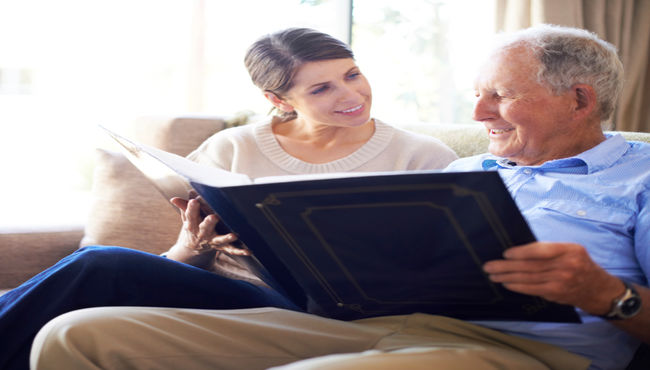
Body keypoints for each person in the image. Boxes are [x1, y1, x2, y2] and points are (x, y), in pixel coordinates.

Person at [30, 24, 649, 370]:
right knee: (74, 336)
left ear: (579, 99)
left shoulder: (639, 177)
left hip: (523, 350)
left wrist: (605, 294)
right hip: (370, 322)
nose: (479, 112)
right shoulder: (466, 170)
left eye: (501, 96)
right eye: (478, 93)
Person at [0, 28, 457, 370]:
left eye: (352, 75)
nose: (352, 94)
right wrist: (195, 246)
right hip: (230, 297)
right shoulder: (231, 148)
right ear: (277, 98)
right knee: (94, 277)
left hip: (328, 313)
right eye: (322, 88)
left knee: (102, 264)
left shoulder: (423, 156)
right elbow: (184, 263)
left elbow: (449, 267)